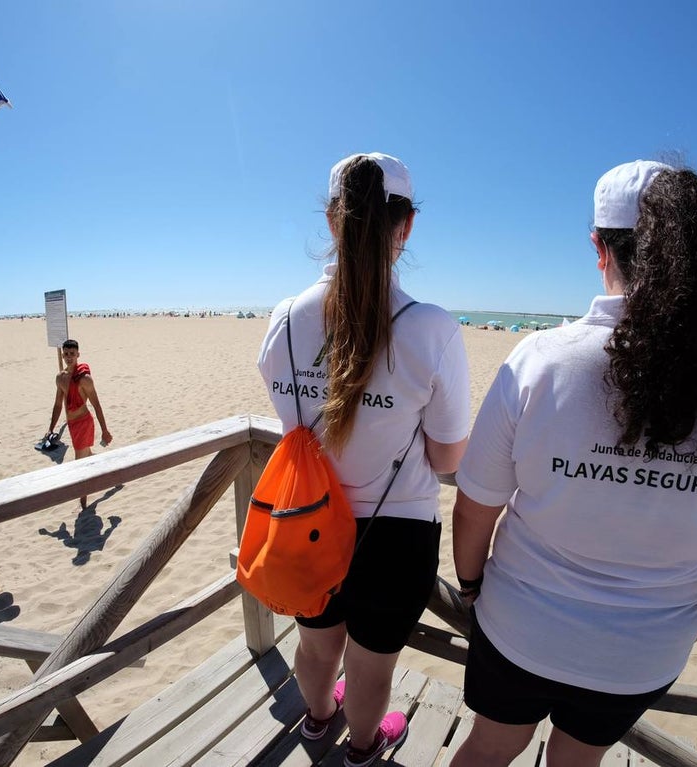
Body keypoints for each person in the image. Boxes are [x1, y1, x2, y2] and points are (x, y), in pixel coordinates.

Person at [449, 161, 697, 767]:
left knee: (489, 748)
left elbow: (475, 507)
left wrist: (473, 583)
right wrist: (688, 624)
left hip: (518, 626)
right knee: (577, 762)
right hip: (643, 654)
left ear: (598, 248)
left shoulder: (542, 360)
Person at [257, 152, 471, 767]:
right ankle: (364, 746)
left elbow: (289, 414)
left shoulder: (286, 320)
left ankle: (318, 722)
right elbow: (448, 452)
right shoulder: (430, 329)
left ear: (332, 222)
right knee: (373, 662)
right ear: (405, 227)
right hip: (395, 529)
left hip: (304, 518)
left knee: (317, 646)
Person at [45, 339, 113, 508]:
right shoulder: (60, 378)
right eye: (66, 354)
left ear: (78, 355)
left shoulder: (85, 379)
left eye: (72, 354)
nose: (69, 357)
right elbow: (57, 405)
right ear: (63, 355)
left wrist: (105, 430)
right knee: (88, 456)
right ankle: (113, 470)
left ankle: (83, 503)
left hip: (84, 423)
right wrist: (51, 428)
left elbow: (97, 405)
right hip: (73, 426)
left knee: (79, 465)